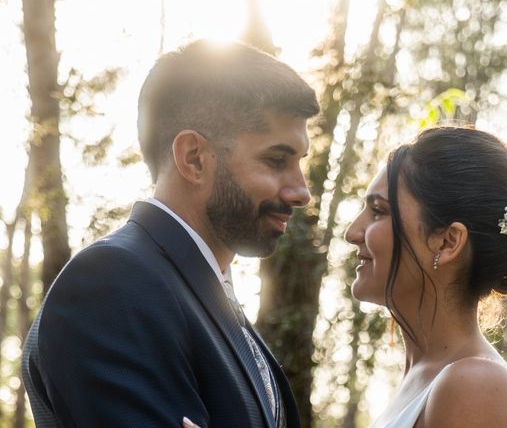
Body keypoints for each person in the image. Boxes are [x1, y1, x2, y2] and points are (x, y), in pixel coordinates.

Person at [22, 40, 320, 427]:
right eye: (276, 160)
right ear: (194, 158)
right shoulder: (113, 284)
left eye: (299, 164)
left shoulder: (205, 295)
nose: (301, 192)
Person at [345, 127, 507, 428]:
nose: (353, 232)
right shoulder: (426, 376)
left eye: (379, 211)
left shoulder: (474, 387)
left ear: (448, 242)